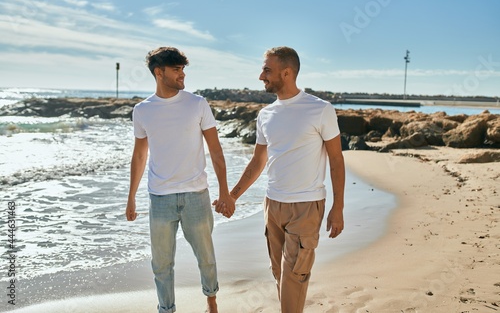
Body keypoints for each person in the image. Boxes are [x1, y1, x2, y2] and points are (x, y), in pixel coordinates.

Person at [214, 46, 345, 312]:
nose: (261, 76)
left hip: (306, 207)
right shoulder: (266, 115)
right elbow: (257, 162)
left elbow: (336, 161)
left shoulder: (320, 109)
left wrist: (338, 207)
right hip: (272, 206)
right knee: (280, 275)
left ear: (286, 73)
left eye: (267, 70)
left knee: (293, 278)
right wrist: (232, 195)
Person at [126, 46, 233, 313]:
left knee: (206, 258)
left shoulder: (197, 103)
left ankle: (212, 302)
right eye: (176, 69)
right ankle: (166, 309)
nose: (182, 74)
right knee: (161, 263)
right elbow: (139, 156)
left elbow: (216, 151)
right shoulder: (142, 110)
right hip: (159, 198)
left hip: (197, 195)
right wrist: (131, 198)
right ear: (159, 72)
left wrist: (225, 192)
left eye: (183, 69)